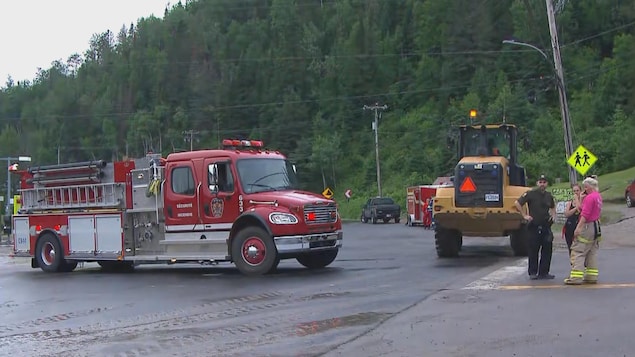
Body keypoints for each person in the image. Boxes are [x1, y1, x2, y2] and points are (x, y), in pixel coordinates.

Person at [514, 174, 556, 280]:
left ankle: (544, 272)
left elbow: (553, 206)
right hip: (534, 226)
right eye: (540, 182)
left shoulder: (548, 195)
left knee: (547, 250)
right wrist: (524, 215)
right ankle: (533, 272)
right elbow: (517, 203)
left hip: (546, 226)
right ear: (537, 183)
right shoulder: (531, 194)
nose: (542, 184)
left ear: (547, 184)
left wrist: (553, 216)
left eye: (544, 182)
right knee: (533, 250)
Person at [565, 176, 603, 285]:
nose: (584, 189)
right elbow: (583, 209)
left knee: (578, 250)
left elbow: (585, 214)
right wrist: (581, 199)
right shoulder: (598, 196)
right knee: (591, 251)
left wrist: (578, 228)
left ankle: (576, 278)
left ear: (588, 186)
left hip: (587, 226)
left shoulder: (590, 198)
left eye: (585, 187)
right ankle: (591, 276)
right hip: (596, 226)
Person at [563, 184, 583, 253]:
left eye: (577, 190)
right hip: (570, 226)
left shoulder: (584, 200)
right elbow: (566, 214)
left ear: (581, 191)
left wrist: (577, 199)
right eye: (574, 191)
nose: (576, 192)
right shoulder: (570, 202)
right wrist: (574, 208)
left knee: (580, 247)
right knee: (571, 248)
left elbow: (580, 209)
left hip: (580, 226)